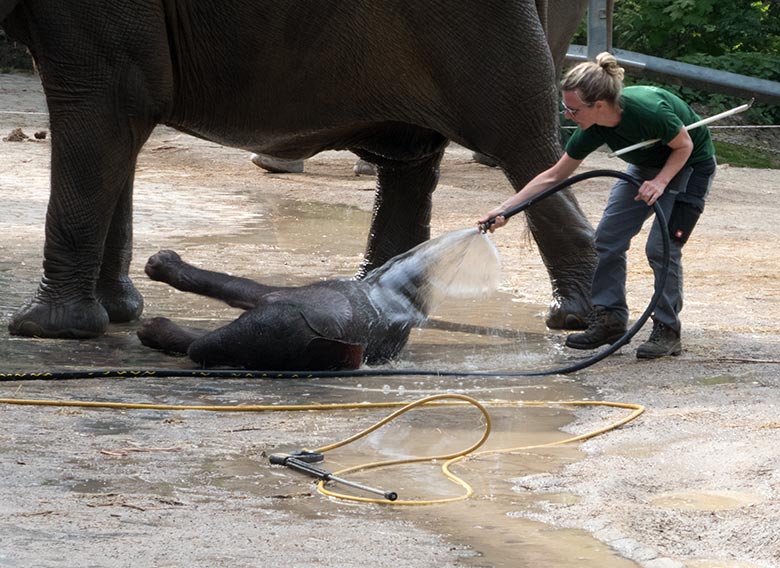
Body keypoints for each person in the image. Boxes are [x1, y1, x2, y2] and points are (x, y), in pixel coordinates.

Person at [479, 52, 717, 359]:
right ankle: (610, 320)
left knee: (661, 249)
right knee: (607, 240)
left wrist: (660, 183)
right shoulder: (593, 127)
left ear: (599, 105)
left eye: (573, 109)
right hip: (646, 166)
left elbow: (684, 145)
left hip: (689, 166)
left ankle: (667, 330)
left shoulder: (648, 111)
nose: (567, 115)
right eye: (565, 107)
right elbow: (553, 175)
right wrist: (505, 209)